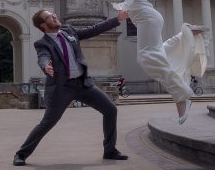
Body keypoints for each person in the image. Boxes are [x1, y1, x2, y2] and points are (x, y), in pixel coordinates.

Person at [12, 9, 130, 166]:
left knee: (110, 110)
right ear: (43, 25)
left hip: (82, 84)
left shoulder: (69, 31)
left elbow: (94, 30)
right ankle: (21, 154)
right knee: (47, 123)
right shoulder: (42, 43)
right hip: (62, 88)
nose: (54, 16)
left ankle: (110, 150)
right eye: (50, 17)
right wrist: (45, 66)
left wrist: (117, 19)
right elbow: (43, 57)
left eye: (54, 14)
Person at [116, 0, 207, 124]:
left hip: (147, 18)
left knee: (146, 57)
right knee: (159, 53)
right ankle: (186, 32)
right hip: (144, 19)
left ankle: (181, 97)